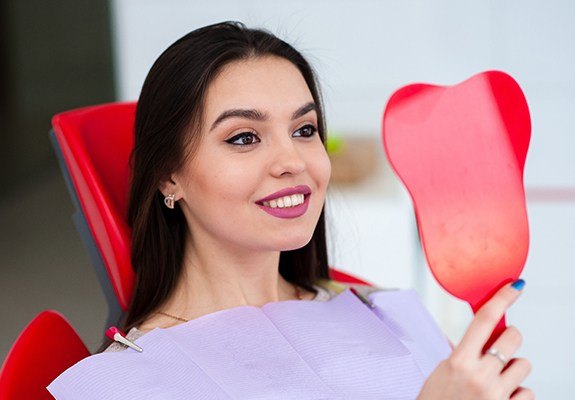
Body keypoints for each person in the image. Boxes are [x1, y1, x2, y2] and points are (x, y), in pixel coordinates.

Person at [49, 21, 532, 399]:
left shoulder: (384, 312)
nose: (293, 162)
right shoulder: (126, 384)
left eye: (304, 130)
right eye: (244, 137)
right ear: (168, 176)